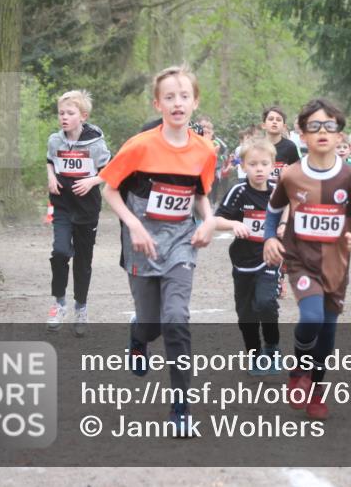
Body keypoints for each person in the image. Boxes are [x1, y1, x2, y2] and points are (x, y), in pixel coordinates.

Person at [99, 66, 216, 437]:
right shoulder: (140, 145)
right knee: (151, 325)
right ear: (158, 103)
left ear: (195, 102)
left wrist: (209, 221)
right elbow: (108, 189)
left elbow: (200, 196)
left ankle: (181, 407)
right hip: (142, 244)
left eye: (184, 96)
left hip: (181, 242)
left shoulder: (205, 151)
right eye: (169, 97)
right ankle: (138, 335)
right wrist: (133, 225)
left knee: (176, 320)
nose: (177, 103)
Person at [262, 98, 351, 420]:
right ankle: (298, 368)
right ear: (302, 133)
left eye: (330, 126)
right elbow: (272, 212)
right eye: (314, 126)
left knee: (326, 338)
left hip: (336, 267)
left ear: (340, 135)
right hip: (300, 260)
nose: (322, 132)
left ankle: (316, 390)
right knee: (310, 318)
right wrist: (270, 237)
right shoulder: (291, 176)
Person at [213, 137, 282, 376]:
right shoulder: (238, 191)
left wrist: (283, 225)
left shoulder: (277, 191)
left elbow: (291, 211)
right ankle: (254, 354)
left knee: (266, 303)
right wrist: (234, 224)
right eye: (253, 164)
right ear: (243, 166)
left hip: (269, 257)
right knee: (245, 314)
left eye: (264, 163)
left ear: (272, 165)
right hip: (242, 261)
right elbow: (216, 219)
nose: (259, 168)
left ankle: (272, 347)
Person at [45, 90, 112, 336]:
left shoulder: (95, 143)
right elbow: (50, 160)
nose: (64, 117)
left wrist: (92, 181)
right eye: (61, 113)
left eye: (70, 113)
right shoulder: (55, 140)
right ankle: (58, 303)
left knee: (83, 261)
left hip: (87, 208)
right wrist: (51, 177)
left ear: (82, 116)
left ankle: (81, 307)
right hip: (62, 205)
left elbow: (108, 171)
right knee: (60, 251)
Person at [261, 106, 301, 182]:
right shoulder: (256, 147)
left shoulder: (290, 147)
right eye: (271, 119)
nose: (274, 122)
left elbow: (297, 173)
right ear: (263, 125)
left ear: (284, 126)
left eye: (278, 120)